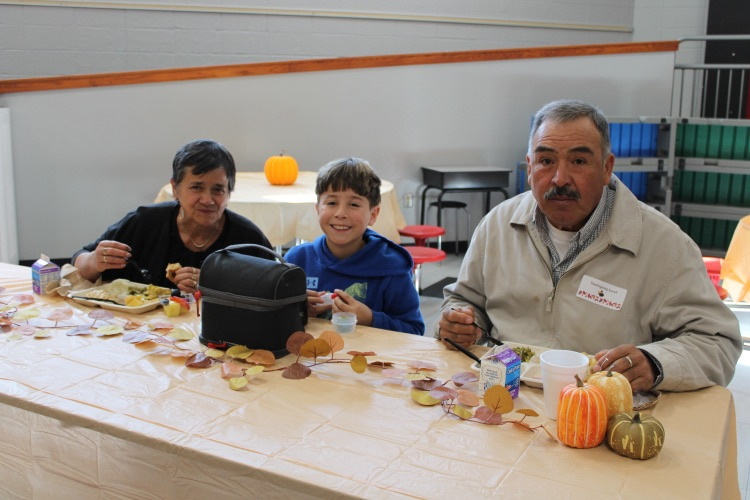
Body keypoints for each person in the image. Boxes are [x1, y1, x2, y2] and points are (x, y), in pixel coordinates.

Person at [437, 99, 742, 393]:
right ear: (529, 168)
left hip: (604, 412)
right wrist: (462, 322)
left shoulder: (664, 245)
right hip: (506, 399)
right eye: (546, 161)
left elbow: (717, 342)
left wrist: (654, 363)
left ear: (607, 167)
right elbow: (464, 301)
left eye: (579, 161)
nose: (560, 178)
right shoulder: (498, 226)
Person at [72, 139, 272, 292]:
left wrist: (215, 287)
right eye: (196, 187)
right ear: (175, 188)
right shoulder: (144, 223)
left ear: (229, 192)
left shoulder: (248, 240)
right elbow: (79, 259)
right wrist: (94, 262)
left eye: (218, 190)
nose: (208, 200)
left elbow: (276, 289)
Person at [284, 157, 425, 335]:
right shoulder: (296, 260)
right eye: (332, 203)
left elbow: (414, 332)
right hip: (309, 360)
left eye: (354, 204)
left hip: (372, 361)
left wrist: (371, 319)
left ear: (373, 214)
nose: (341, 213)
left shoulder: (392, 269)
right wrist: (299, 310)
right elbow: (274, 320)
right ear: (318, 208)